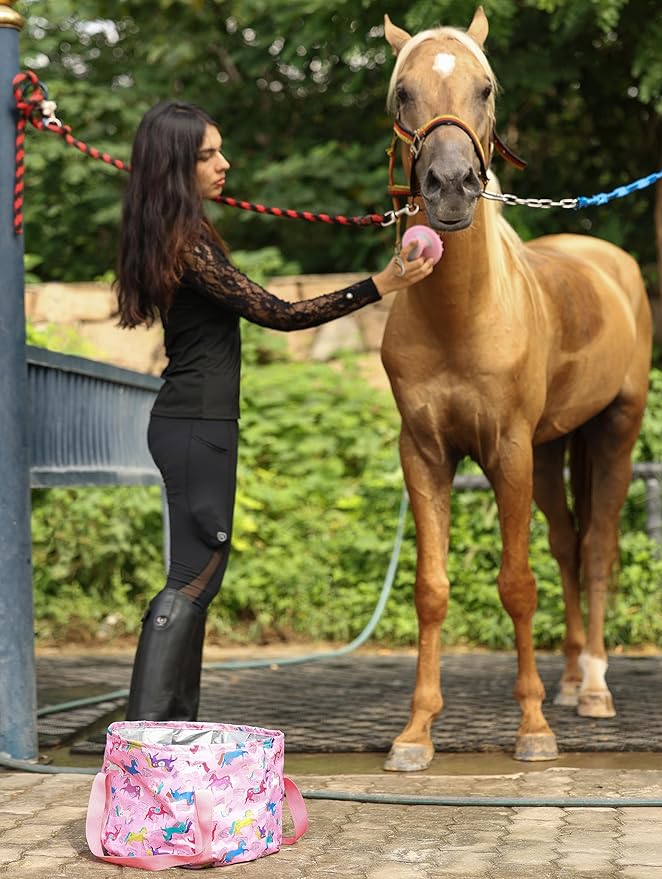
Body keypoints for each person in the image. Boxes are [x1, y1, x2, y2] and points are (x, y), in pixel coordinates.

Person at [115, 100, 434, 722]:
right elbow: (278, 314)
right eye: (208, 155)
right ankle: (148, 743)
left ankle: (173, 737)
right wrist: (380, 284)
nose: (223, 164)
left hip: (195, 423)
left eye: (219, 150)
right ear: (174, 166)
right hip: (195, 426)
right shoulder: (186, 245)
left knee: (198, 577)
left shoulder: (181, 234)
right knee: (194, 576)